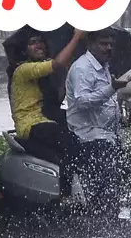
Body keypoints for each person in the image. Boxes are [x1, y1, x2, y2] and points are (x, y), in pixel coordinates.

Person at [65, 28, 131, 231]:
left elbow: (106, 101)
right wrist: (112, 88)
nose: (108, 48)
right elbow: (82, 101)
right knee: (108, 185)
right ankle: (108, 229)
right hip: (89, 137)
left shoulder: (104, 66)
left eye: (110, 44)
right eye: (103, 44)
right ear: (90, 44)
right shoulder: (82, 68)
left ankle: (123, 223)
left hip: (108, 136)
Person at [8, 30, 81, 164]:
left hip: (46, 120)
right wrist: (77, 36)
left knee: (79, 126)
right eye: (32, 43)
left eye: (40, 41)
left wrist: (66, 73)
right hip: (31, 125)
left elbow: (57, 99)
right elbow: (57, 64)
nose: (38, 45)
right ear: (24, 50)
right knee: (69, 143)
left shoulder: (43, 76)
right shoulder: (23, 70)